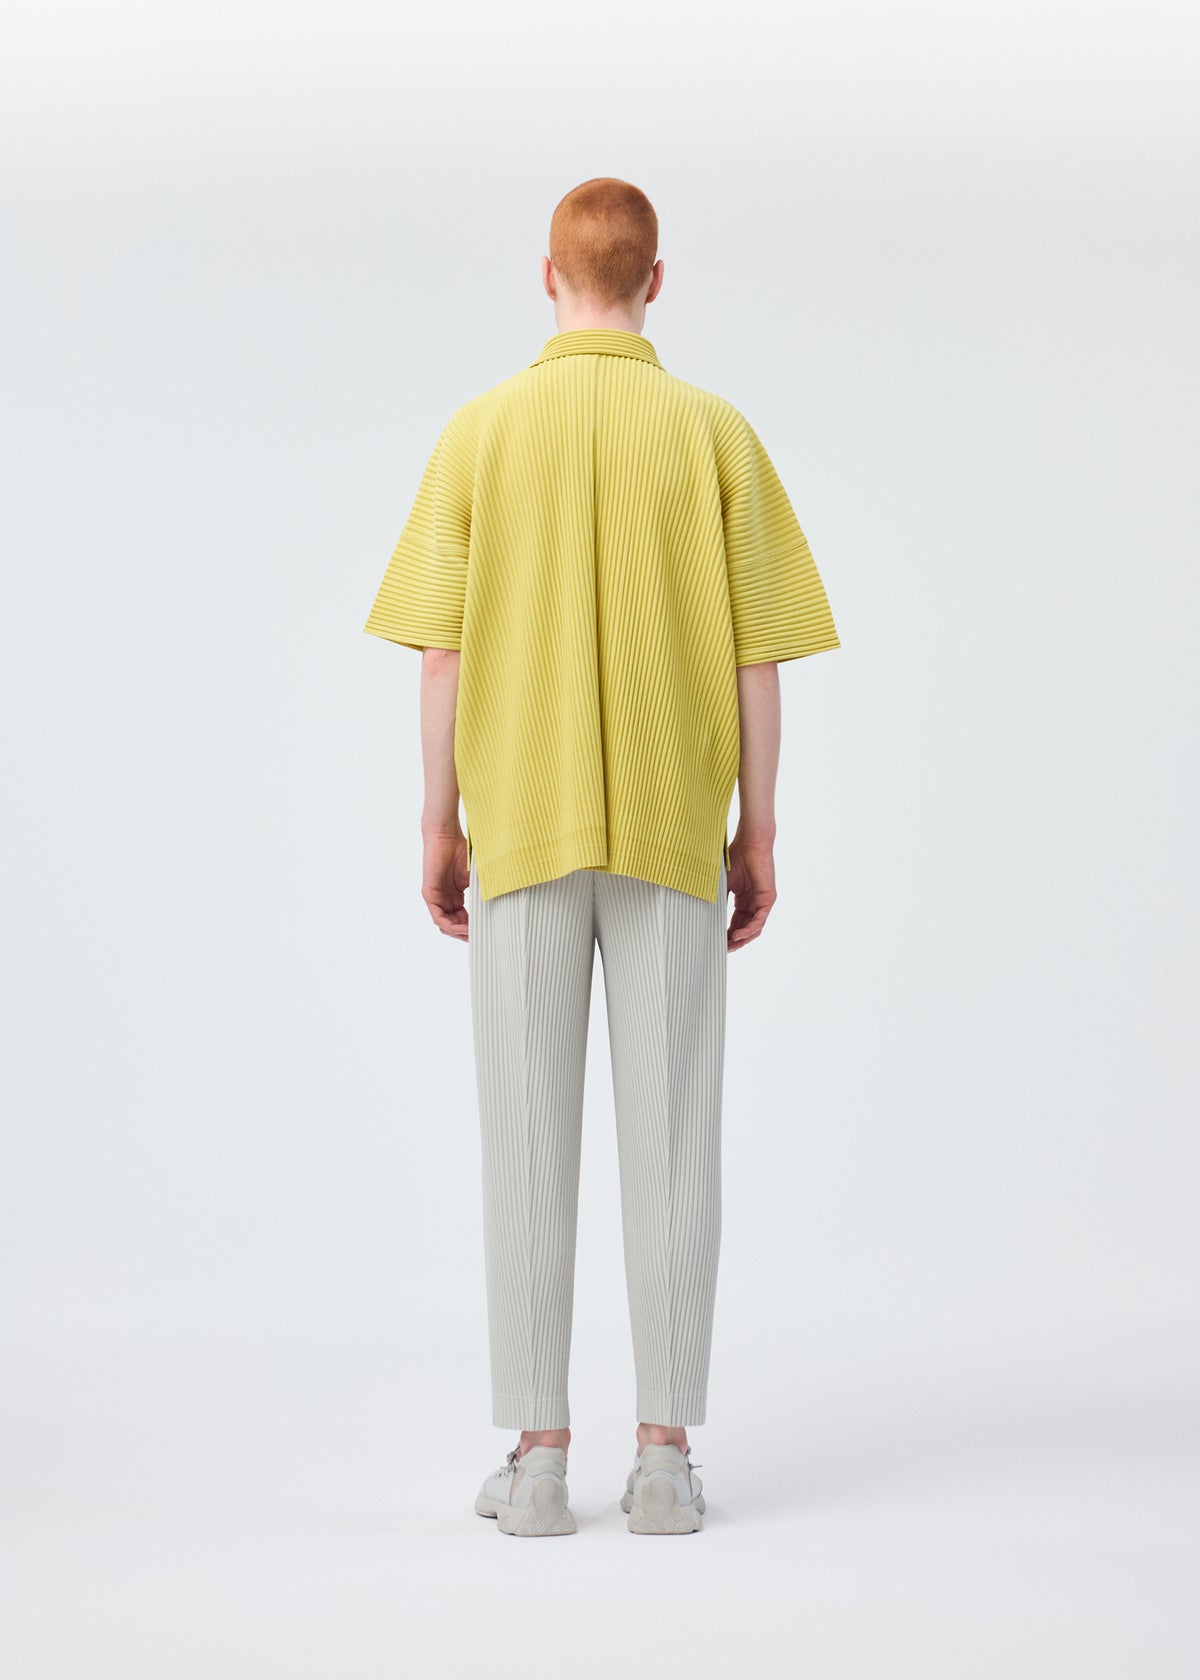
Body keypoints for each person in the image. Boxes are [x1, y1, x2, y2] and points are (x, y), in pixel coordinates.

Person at [363, 177, 841, 1536]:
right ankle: (665, 1460)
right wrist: (759, 829)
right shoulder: (715, 433)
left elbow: (441, 654)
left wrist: (439, 822)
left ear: (546, 276)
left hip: (521, 822)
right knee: (676, 1137)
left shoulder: (479, 431)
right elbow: (758, 658)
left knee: (524, 1133)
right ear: (658, 280)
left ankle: (535, 1462)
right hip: (675, 829)